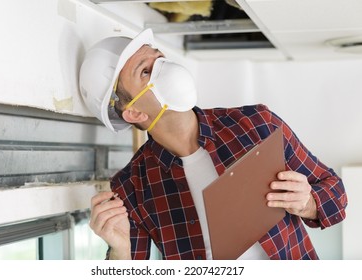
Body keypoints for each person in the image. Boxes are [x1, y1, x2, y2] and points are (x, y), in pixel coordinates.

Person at [79, 29, 347, 260]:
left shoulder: (256, 124)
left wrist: (307, 202)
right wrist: (120, 252)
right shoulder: (132, 187)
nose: (165, 70)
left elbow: (336, 194)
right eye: (146, 71)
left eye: (159, 59)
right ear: (135, 113)